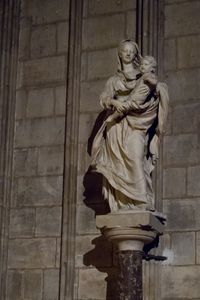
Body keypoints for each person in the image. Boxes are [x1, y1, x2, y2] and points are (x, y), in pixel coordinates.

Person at [91, 40, 169, 212]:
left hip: (136, 124)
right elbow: (104, 98)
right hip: (116, 127)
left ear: (136, 55)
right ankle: (122, 204)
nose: (128, 54)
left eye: (131, 51)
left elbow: (155, 92)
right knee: (118, 166)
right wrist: (113, 102)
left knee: (136, 159)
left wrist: (156, 88)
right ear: (119, 54)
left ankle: (141, 201)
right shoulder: (113, 80)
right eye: (124, 51)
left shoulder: (144, 76)